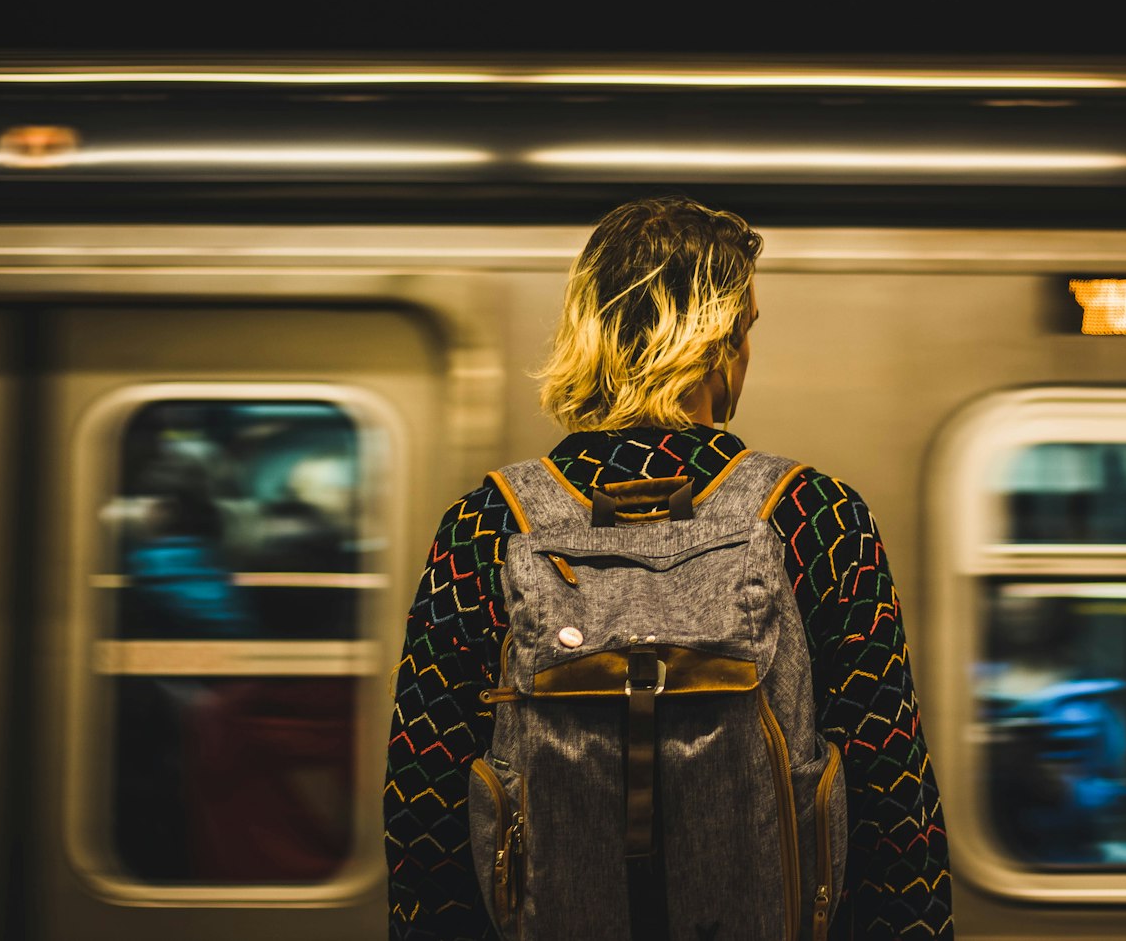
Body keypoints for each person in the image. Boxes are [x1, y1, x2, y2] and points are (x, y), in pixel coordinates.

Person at [385, 197, 952, 940]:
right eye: (746, 329)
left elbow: (423, 802)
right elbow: (895, 804)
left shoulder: (486, 526)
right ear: (715, 340)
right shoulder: (817, 517)